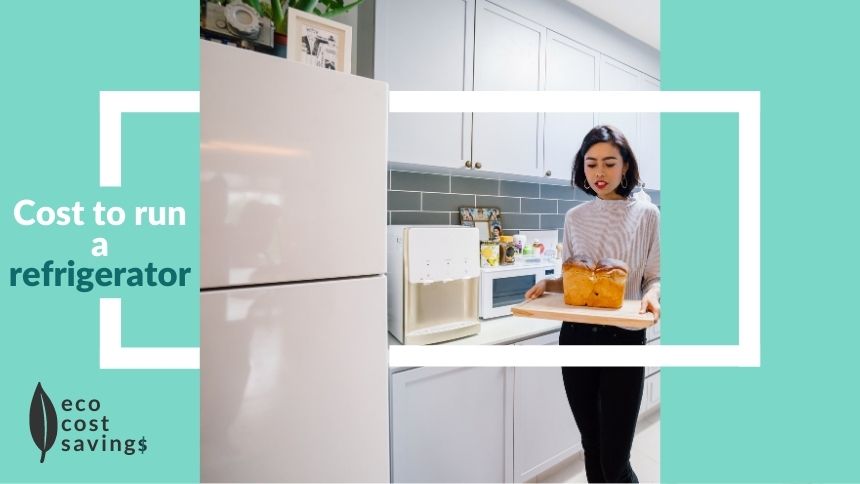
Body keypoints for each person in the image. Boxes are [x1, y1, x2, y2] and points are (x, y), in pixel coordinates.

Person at [525, 125, 660, 483]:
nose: (599, 173)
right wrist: (549, 283)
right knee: (592, 446)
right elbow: (577, 279)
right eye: (591, 164)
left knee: (616, 460)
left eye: (609, 163)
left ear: (626, 166)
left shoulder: (648, 215)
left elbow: (654, 277)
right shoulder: (575, 218)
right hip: (576, 339)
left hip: (625, 341)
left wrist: (652, 294)